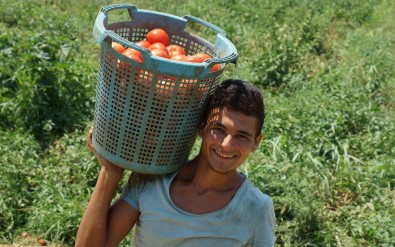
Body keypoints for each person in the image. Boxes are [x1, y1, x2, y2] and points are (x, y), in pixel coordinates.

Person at [75, 79, 276, 247]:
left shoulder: (256, 208)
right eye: (219, 129)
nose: (226, 144)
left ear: (256, 142)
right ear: (202, 126)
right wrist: (110, 170)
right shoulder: (153, 179)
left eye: (241, 136)